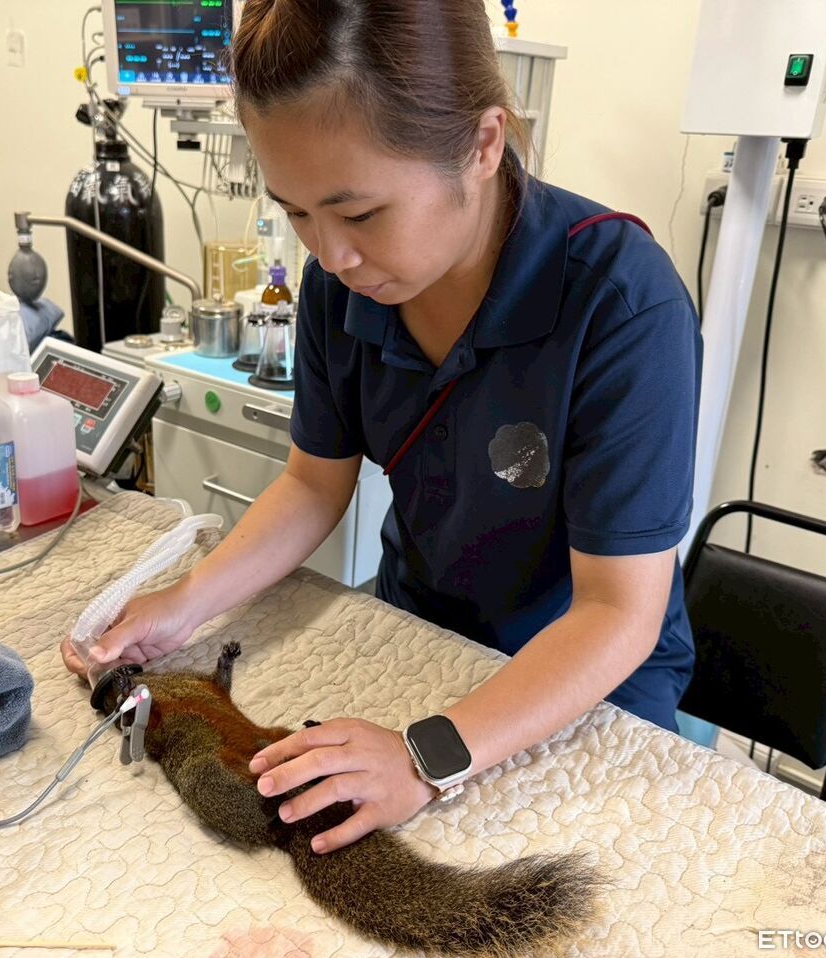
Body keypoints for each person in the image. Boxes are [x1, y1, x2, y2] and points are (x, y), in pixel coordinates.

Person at [64, 0, 702, 856]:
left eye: (360, 214)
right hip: (424, 632)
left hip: (585, 682)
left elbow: (617, 613)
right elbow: (311, 484)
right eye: (297, 213)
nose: (330, 255)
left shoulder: (619, 301)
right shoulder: (340, 291)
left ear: (483, 144)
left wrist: (427, 755)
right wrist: (185, 606)